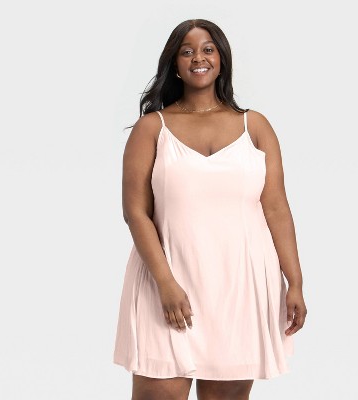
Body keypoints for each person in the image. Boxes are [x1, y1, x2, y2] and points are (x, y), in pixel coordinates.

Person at [113, 18, 307, 400]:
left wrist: (295, 281)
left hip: (241, 286)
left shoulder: (255, 126)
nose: (198, 58)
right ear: (175, 63)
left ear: (221, 60)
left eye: (207, 49)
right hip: (168, 283)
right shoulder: (152, 128)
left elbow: (276, 208)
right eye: (187, 51)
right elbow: (135, 212)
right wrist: (165, 283)